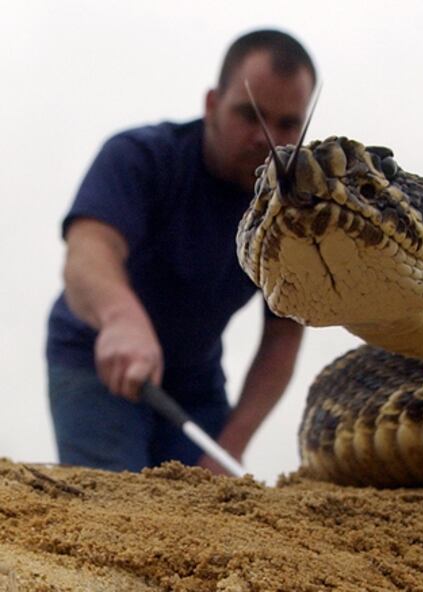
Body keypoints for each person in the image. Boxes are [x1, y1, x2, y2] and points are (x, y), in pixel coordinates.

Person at [45, 30, 315, 474]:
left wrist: (231, 445)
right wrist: (120, 319)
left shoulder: (293, 216)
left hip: (194, 381)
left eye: (287, 124)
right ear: (211, 103)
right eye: (250, 115)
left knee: (208, 507)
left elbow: (283, 338)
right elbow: (89, 249)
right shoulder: (140, 157)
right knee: (116, 506)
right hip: (95, 357)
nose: (264, 138)